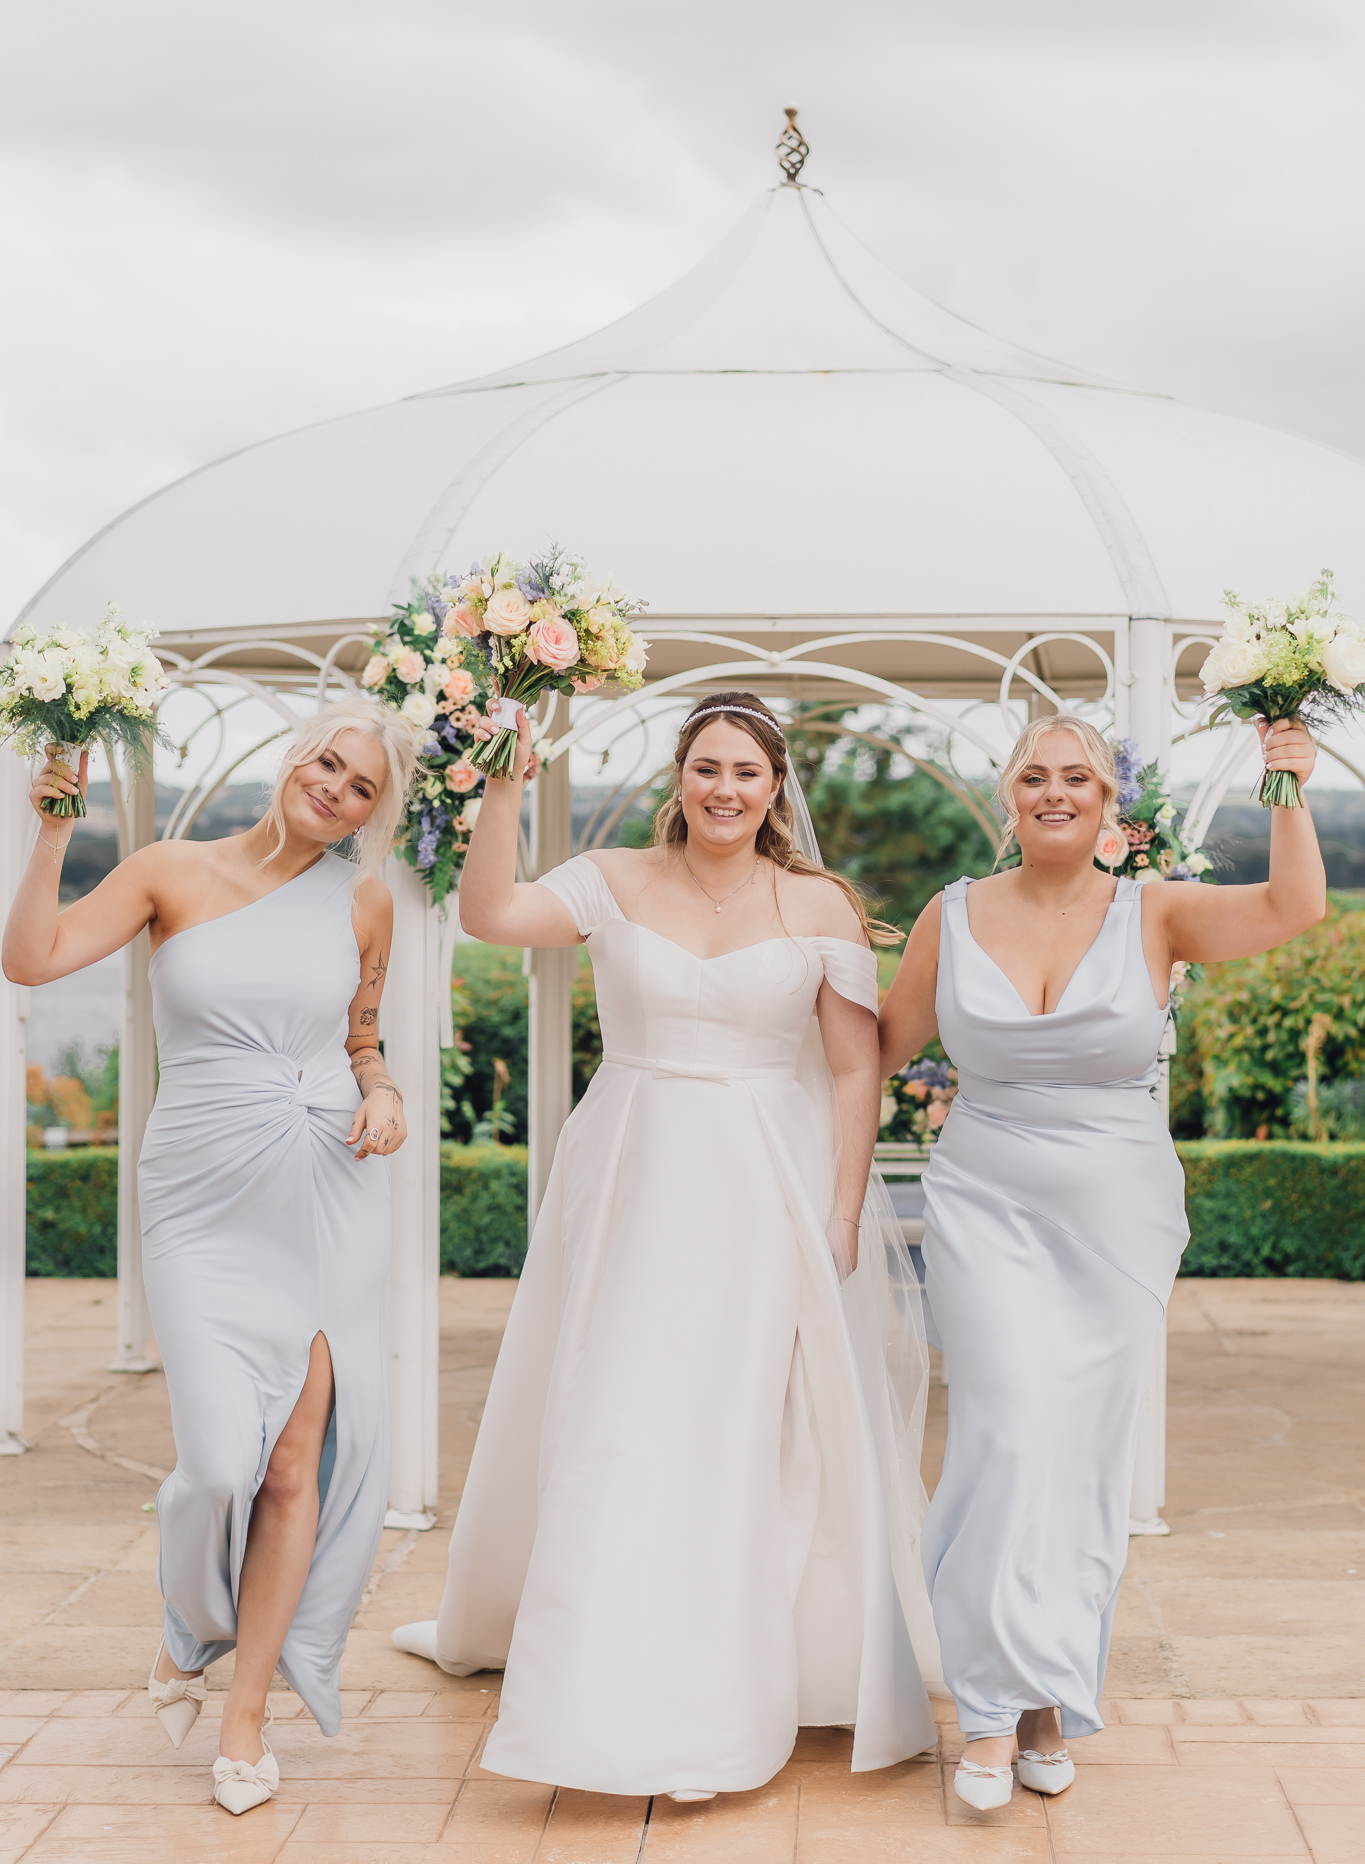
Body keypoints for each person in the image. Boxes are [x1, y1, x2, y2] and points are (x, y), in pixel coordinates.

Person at [392, 690, 939, 1798]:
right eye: (706, 768)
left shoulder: (819, 903)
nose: (725, 788)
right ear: (678, 778)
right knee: (618, 1405)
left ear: (777, 785)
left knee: (739, 1413)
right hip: (633, 1170)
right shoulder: (613, 878)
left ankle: (753, 1656)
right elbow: (492, 910)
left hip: (761, 1185)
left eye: (746, 769)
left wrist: (841, 1208)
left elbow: (851, 1066)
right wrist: (504, 784)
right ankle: (595, 1676)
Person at [878, 711, 1326, 1812]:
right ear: (1007, 800)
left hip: (1116, 1222)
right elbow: (875, 1048)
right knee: (1005, 1431)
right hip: (984, 1202)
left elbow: (1293, 905)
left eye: (1077, 774)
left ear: (1111, 800)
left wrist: (1290, 783)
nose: (1054, 789)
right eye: (1033, 774)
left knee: (1078, 1460)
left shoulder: (1156, 909)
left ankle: (1045, 1700)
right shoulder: (951, 914)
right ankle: (987, 1710)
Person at [2, 699, 423, 1816]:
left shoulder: (366, 899)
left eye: (361, 785)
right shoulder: (165, 869)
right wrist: (52, 827)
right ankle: (187, 1619)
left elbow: (363, 1037)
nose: (333, 786)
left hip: (329, 1186)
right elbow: (31, 959)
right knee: (219, 1464)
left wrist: (384, 1093)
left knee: (295, 1461)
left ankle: (245, 1715)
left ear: (374, 815)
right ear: (296, 757)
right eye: (327, 761)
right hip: (198, 1192)